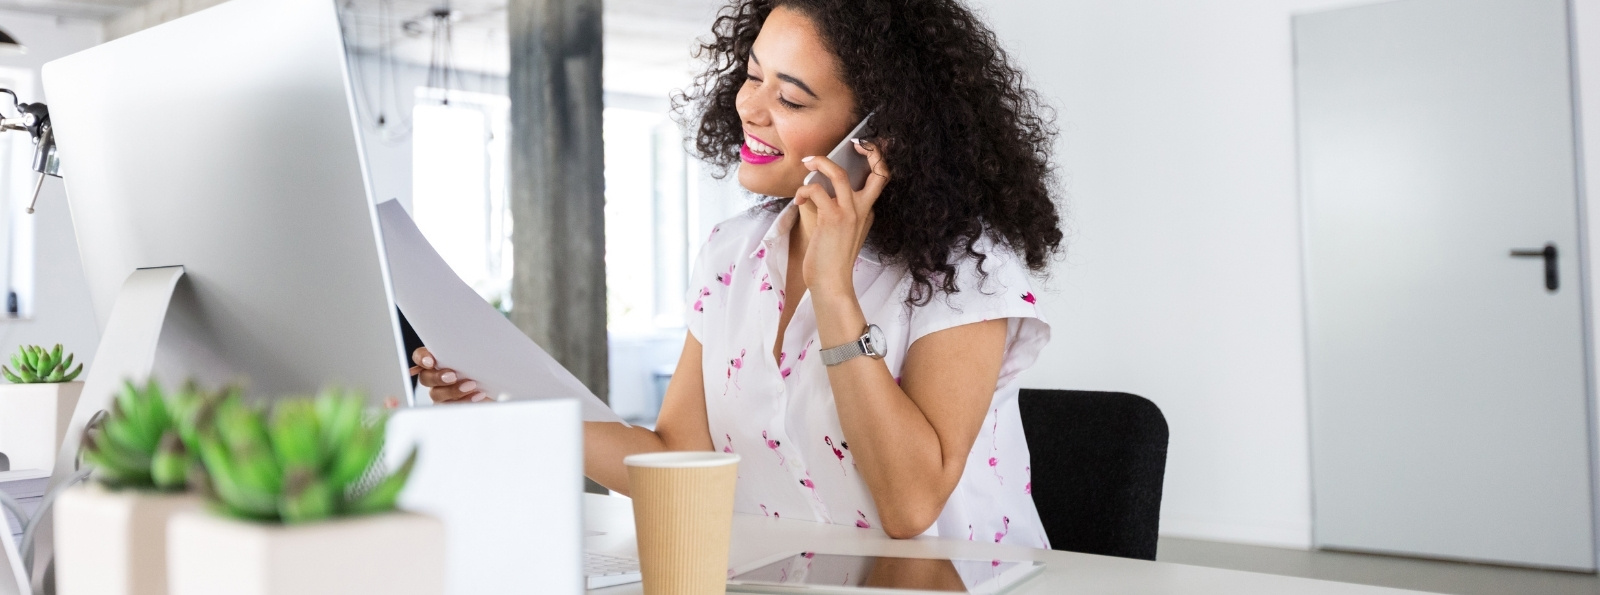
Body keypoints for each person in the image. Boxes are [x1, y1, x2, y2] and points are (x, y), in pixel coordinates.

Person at [412, 0, 1063, 546]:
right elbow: (678, 456)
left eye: (790, 97)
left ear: (879, 136)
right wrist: (505, 403)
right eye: (752, 75)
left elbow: (910, 504)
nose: (750, 107)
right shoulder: (733, 255)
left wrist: (834, 290)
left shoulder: (967, 269)